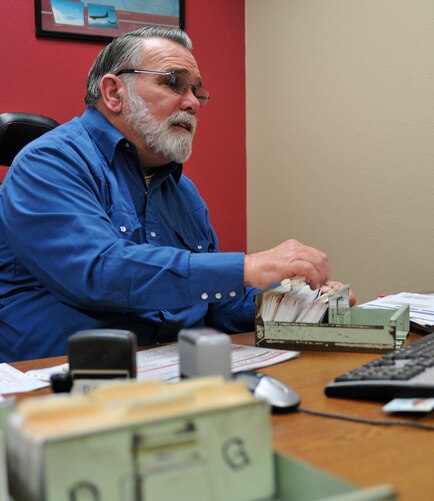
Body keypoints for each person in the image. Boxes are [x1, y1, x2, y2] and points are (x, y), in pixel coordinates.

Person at [0, 26, 349, 362]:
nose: (192, 103)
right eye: (173, 83)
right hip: (64, 381)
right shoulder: (48, 163)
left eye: (197, 91)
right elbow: (99, 271)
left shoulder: (182, 191)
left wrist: (296, 304)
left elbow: (216, 304)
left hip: (172, 370)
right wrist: (246, 266)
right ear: (113, 93)